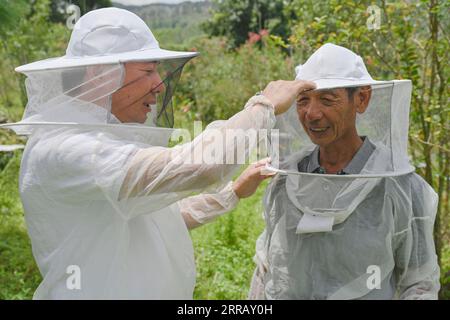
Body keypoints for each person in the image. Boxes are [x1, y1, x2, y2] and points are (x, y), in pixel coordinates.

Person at [1, 8, 315, 299]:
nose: (159, 85)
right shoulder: (66, 149)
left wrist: (232, 192)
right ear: (101, 74)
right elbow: (202, 165)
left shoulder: (93, 142)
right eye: (149, 70)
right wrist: (265, 105)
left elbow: (158, 218)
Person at [240, 44, 440, 299]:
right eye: (303, 100)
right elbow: (266, 267)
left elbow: (419, 284)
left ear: (362, 99)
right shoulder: (284, 181)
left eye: (326, 99)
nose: (311, 114)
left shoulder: (402, 187)